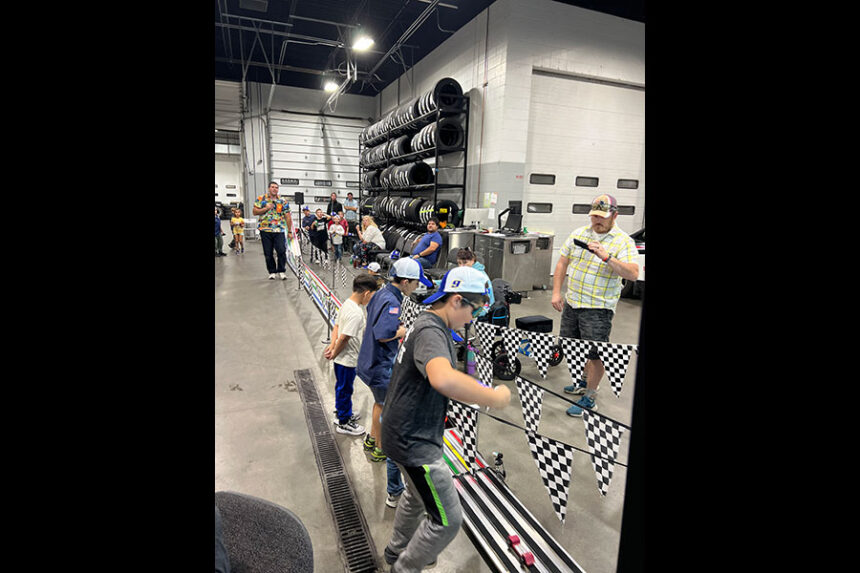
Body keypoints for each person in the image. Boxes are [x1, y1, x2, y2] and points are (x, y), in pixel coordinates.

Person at [380, 265, 511, 572]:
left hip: (400, 431)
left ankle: (396, 551)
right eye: (473, 311)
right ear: (456, 301)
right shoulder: (430, 332)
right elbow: (442, 379)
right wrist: (493, 397)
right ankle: (404, 568)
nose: (473, 319)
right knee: (448, 520)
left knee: (414, 495)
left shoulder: (427, 323)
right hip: (413, 443)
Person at [550, 194, 639, 416]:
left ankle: (590, 397)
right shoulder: (579, 233)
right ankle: (581, 381)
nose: (597, 221)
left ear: (614, 216)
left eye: (602, 217)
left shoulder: (623, 241)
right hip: (573, 303)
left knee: (595, 353)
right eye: (594, 216)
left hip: (598, 308)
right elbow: (562, 262)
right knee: (574, 347)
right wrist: (556, 292)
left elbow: (633, 274)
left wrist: (607, 257)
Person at [357, 258, 434, 508]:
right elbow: (383, 334)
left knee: (380, 403)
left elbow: (376, 320)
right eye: (414, 283)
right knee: (394, 420)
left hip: (368, 362)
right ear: (405, 281)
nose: (416, 288)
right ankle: (393, 485)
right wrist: (403, 331)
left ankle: (373, 440)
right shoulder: (392, 301)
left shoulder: (381, 292)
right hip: (380, 367)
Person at [324, 274, 380, 436]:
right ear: (367, 293)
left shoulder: (346, 304)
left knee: (341, 387)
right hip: (346, 360)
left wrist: (332, 345)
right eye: (372, 296)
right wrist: (334, 351)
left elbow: (336, 326)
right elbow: (344, 337)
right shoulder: (356, 314)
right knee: (345, 389)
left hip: (341, 357)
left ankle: (343, 411)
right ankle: (344, 421)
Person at [252, 181, 293, 280]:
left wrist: (290, 231)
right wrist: (265, 208)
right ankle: (272, 271)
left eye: (276, 187)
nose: (274, 189)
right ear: (269, 188)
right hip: (265, 229)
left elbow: (287, 216)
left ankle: (281, 270)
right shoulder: (261, 199)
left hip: (279, 229)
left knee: (281, 250)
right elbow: (254, 211)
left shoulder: (282, 201)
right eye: (272, 187)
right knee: (268, 252)